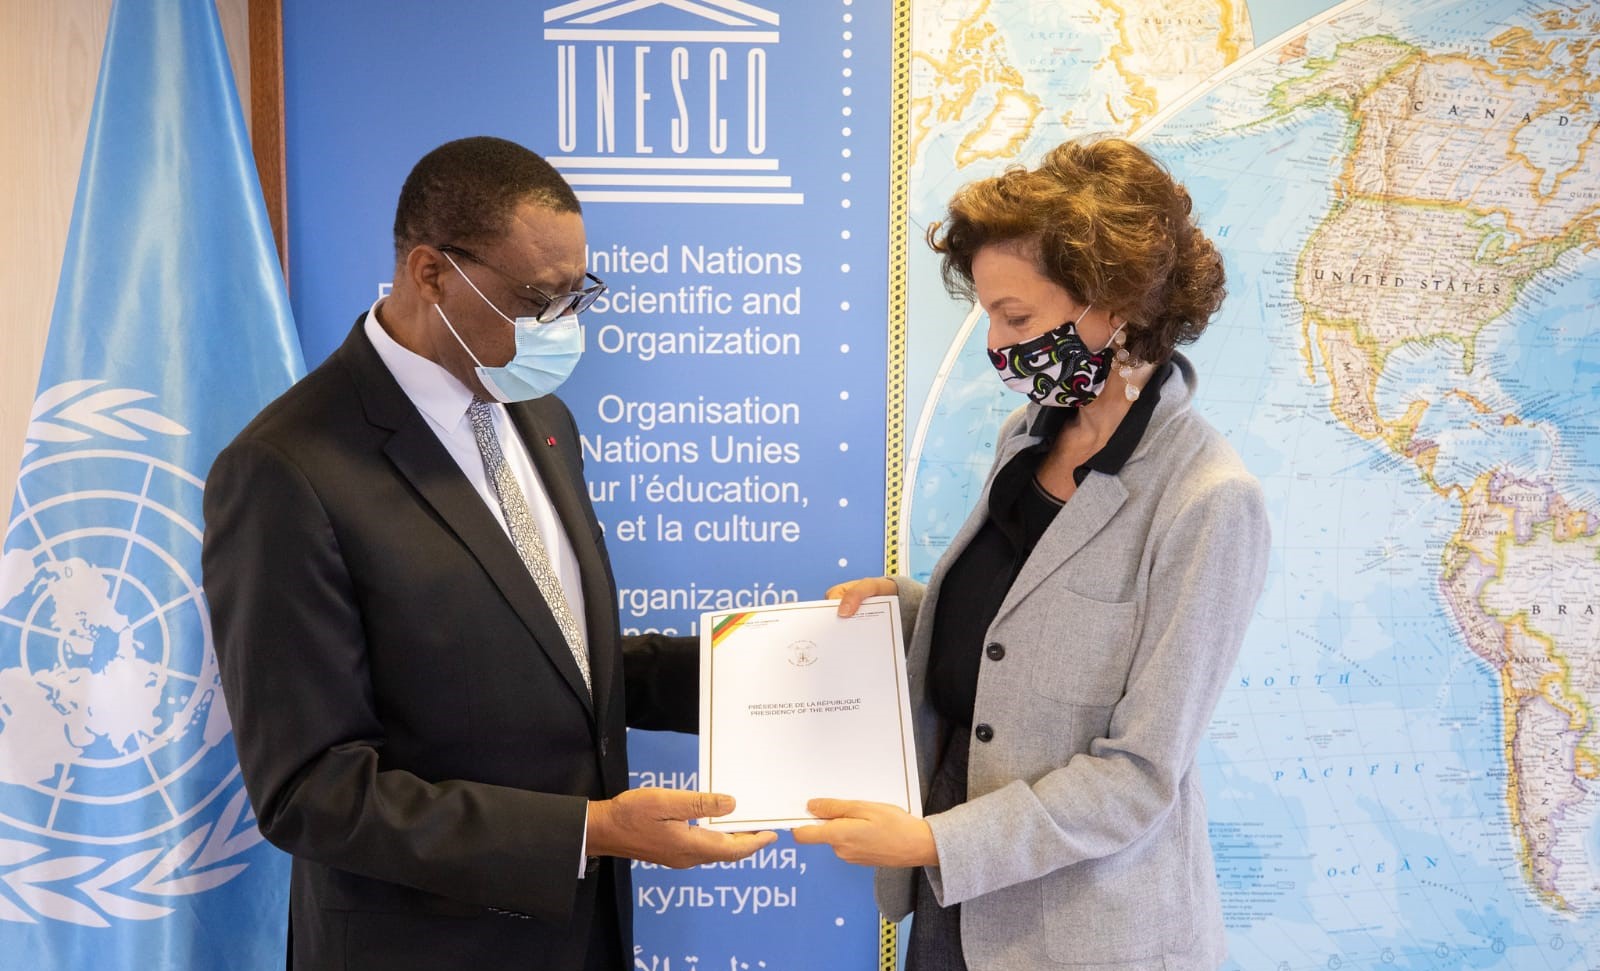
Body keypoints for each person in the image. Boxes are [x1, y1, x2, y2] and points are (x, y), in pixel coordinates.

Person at [201, 136, 774, 971]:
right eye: (538, 297)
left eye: (577, 295)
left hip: (586, 935)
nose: (561, 324)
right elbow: (311, 791)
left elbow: (556, 664)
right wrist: (587, 829)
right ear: (430, 272)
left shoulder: (539, 415)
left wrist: (778, 670)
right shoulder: (286, 469)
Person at [794, 136, 1270, 969]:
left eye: (1016, 318)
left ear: (1115, 304)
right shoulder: (1027, 436)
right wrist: (911, 606)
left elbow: (1138, 776)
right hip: (955, 899)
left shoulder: (1209, 501)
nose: (994, 344)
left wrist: (936, 841)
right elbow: (1023, 621)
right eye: (987, 315)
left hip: (1078, 930)